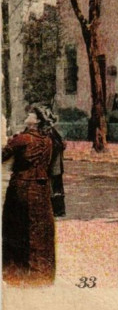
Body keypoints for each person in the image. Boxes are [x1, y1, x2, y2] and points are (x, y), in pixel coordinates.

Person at [2, 105, 61, 285]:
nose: (27, 115)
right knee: (40, 231)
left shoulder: (22, 139)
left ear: (37, 120)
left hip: (21, 188)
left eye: (31, 113)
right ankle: (42, 275)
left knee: (16, 228)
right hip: (42, 190)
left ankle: (15, 274)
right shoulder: (48, 141)